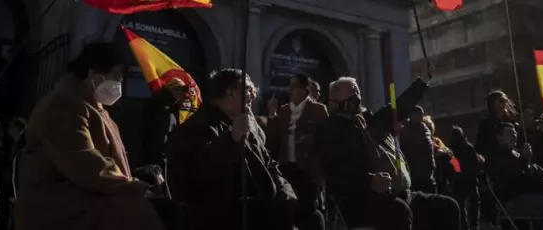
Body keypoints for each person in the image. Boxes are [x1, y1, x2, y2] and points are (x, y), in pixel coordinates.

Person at [16, 42, 170, 230]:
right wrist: (133, 187)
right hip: (64, 209)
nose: (119, 84)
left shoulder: (94, 107)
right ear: (93, 74)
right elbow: (82, 161)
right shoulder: (65, 105)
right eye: (115, 77)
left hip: (91, 202)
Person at [315, 76, 460, 230]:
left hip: (398, 191)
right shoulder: (330, 131)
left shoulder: (369, 121)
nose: (357, 97)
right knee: (399, 212)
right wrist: (370, 180)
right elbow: (337, 171)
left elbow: (399, 108)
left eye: (358, 92)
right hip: (360, 198)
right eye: (351, 92)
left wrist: (421, 83)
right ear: (334, 100)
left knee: (448, 207)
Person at [167, 68, 297, 230]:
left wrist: (285, 191)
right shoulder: (197, 127)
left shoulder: (243, 125)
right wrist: (231, 139)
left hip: (262, 215)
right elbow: (196, 170)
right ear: (230, 92)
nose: (253, 95)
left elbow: (268, 163)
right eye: (248, 89)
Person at [265, 73, 328, 230]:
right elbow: (273, 136)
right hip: (287, 166)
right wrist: (272, 114)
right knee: (289, 206)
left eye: (294, 86)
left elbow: (326, 137)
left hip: (308, 169)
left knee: (308, 209)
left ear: (305, 89)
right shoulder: (285, 110)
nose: (290, 90)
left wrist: (309, 138)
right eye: (290, 86)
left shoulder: (318, 109)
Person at [142, 78, 191, 169]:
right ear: (174, 90)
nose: (186, 95)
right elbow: (159, 141)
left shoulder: (168, 108)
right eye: (183, 91)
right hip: (156, 166)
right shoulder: (163, 110)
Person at [447, 126, 481, 230]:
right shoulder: (467, 147)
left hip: (461, 180)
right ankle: (472, 225)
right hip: (467, 179)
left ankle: (467, 225)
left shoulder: (451, 149)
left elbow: (453, 165)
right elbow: (476, 163)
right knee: (471, 205)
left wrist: (456, 174)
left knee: (464, 205)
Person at [400, 106, 438, 194]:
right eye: (417, 114)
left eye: (421, 114)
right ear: (411, 116)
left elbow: (431, 148)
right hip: (414, 174)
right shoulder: (405, 131)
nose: (420, 117)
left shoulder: (426, 130)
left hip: (428, 174)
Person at [474, 91, 521, 159]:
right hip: (495, 160)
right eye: (499, 101)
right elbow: (480, 147)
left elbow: (519, 142)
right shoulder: (486, 124)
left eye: (504, 101)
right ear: (492, 104)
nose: (501, 104)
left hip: (513, 158)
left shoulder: (512, 122)